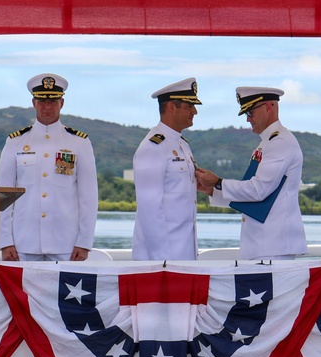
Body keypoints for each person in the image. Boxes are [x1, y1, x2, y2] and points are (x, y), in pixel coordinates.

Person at [196, 87, 307, 260]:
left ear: (268, 107)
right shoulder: (268, 142)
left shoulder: (280, 143)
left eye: (250, 112)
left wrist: (218, 182)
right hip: (265, 244)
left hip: (273, 246)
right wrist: (213, 190)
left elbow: (258, 190)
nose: (248, 119)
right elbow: (253, 193)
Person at [0, 74, 98, 262]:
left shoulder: (79, 142)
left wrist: (84, 242)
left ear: (62, 103)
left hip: (66, 244)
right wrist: (5, 241)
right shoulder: (15, 142)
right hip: (23, 243)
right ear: (34, 103)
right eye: (42, 101)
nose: (47, 106)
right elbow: (2, 197)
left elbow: (88, 198)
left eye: (53, 101)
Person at [131, 77, 202, 261]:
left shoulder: (182, 144)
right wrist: (162, 260)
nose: (194, 111)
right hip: (162, 258)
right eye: (189, 106)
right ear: (171, 107)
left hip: (183, 254)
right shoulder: (153, 146)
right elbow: (150, 209)